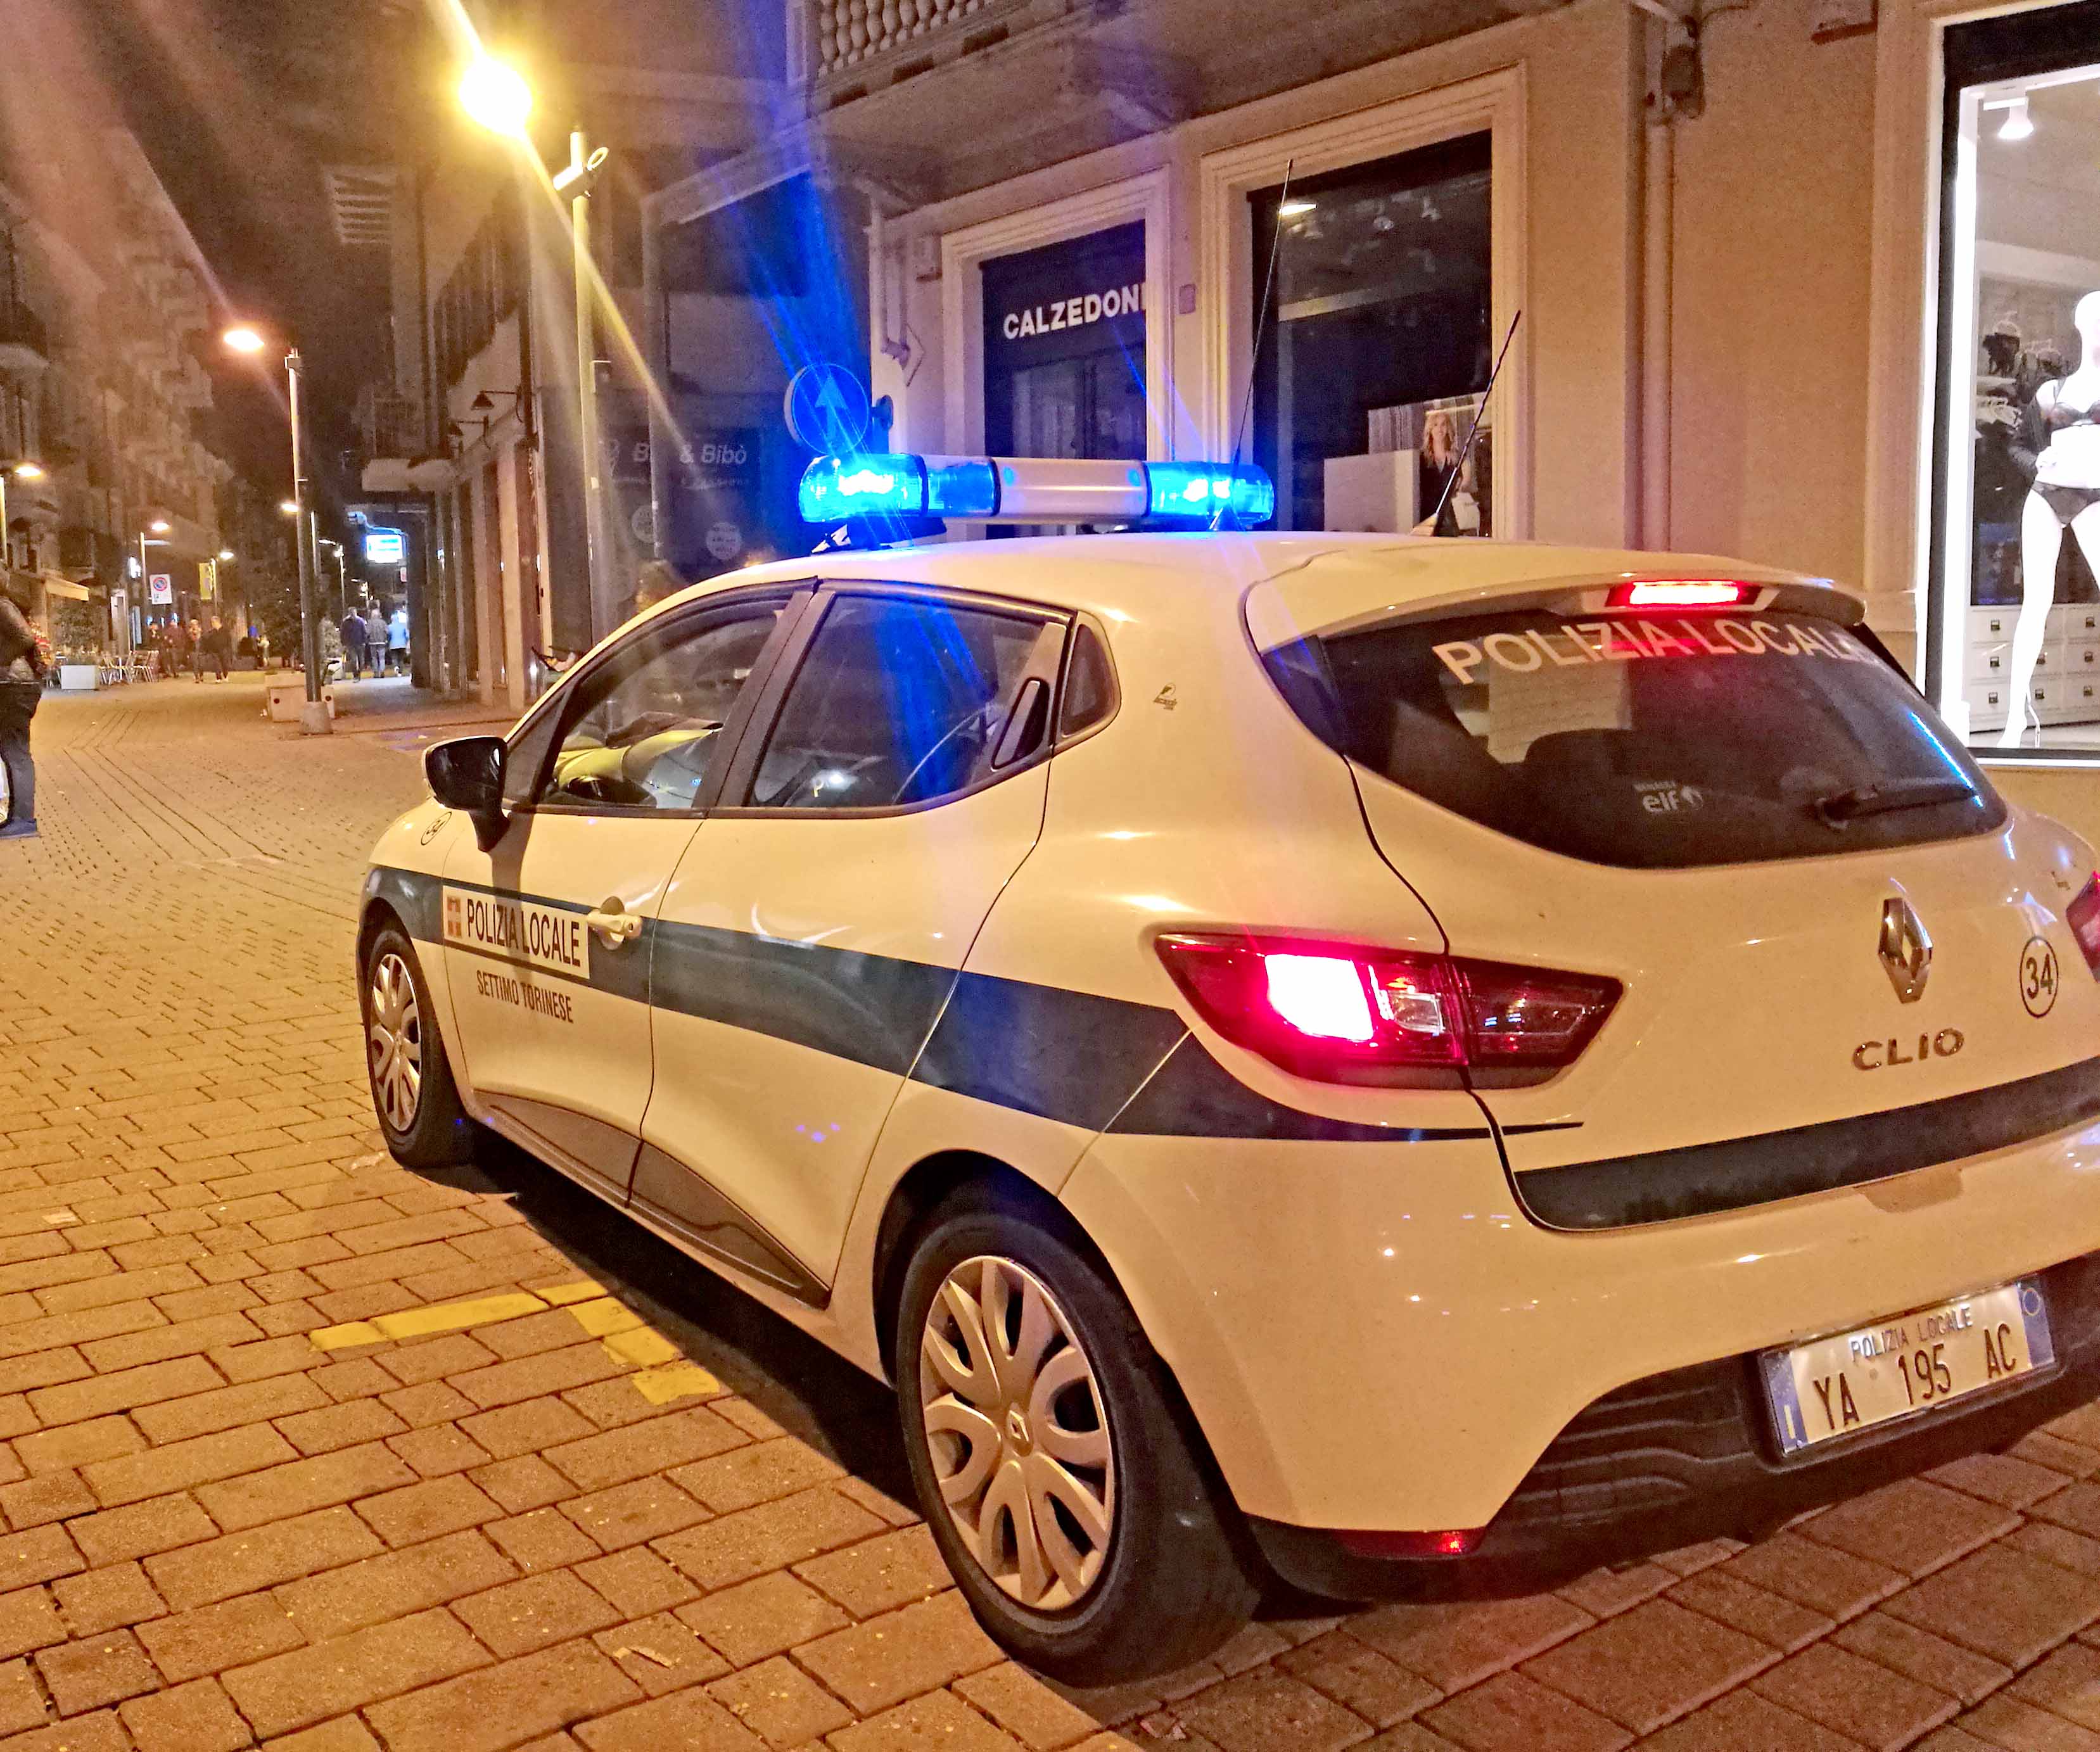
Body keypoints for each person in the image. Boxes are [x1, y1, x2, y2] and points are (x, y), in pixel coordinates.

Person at [0, 579, 48, 839]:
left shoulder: (3, 605)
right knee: (12, 751)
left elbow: (24, 638)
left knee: (16, 751)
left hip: (13, 686)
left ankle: (24, 820)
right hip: (14, 685)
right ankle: (18, 817)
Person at [198, 617, 231, 682]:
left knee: (224, 664)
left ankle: (226, 675)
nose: (212, 624)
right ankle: (218, 678)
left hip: (223, 649)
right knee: (216, 665)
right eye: (212, 622)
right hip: (214, 651)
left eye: (213, 622)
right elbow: (205, 638)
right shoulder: (212, 632)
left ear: (217, 622)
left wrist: (228, 648)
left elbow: (229, 640)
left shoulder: (225, 630)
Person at [340, 606, 369, 680]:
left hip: (360, 643)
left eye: (354, 613)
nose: (353, 615)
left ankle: (359, 672)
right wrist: (344, 643)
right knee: (354, 660)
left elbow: (364, 632)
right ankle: (356, 674)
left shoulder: (360, 621)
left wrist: (364, 641)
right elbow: (343, 633)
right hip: (351, 644)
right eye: (352, 613)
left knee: (361, 661)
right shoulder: (346, 622)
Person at [387, 603, 410, 676]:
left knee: (394, 658)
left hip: (393, 645)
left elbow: (388, 635)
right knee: (401, 659)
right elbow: (407, 635)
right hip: (402, 644)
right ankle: (400, 672)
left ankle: (396, 666)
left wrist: (389, 642)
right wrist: (405, 642)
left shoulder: (390, 627)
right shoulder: (402, 626)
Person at [364, 603, 387, 676]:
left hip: (373, 642)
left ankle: (376, 672)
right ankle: (382, 670)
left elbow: (367, 632)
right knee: (382, 657)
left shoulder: (370, 623)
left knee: (374, 657)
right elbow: (387, 631)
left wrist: (367, 639)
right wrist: (385, 638)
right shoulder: (383, 622)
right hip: (382, 642)